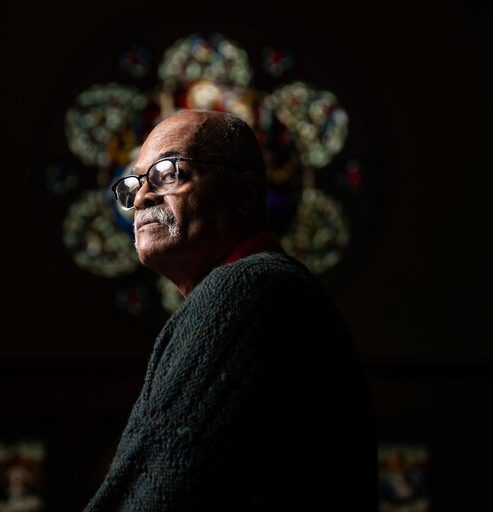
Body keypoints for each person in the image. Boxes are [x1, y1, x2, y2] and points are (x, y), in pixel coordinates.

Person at [83, 110, 377, 511]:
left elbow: (156, 493)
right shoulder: (268, 289)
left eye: (168, 172)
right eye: (134, 182)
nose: (141, 197)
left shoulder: (246, 290)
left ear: (245, 196)